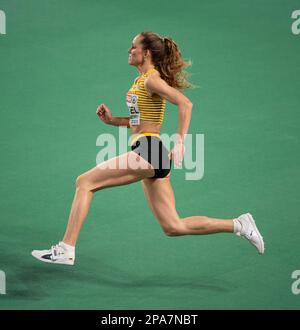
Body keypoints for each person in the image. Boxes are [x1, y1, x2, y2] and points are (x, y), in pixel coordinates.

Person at [31, 31, 264, 265]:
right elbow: (140, 123)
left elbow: (185, 104)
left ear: (147, 53)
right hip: (153, 154)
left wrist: (180, 141)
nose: (129, 51)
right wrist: (112, 121)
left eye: (133, 47)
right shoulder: (140, 81)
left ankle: (66, 249)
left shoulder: (152, 79)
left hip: (150, 152)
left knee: (85, 182)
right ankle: (239, 224)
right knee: (173, 226)